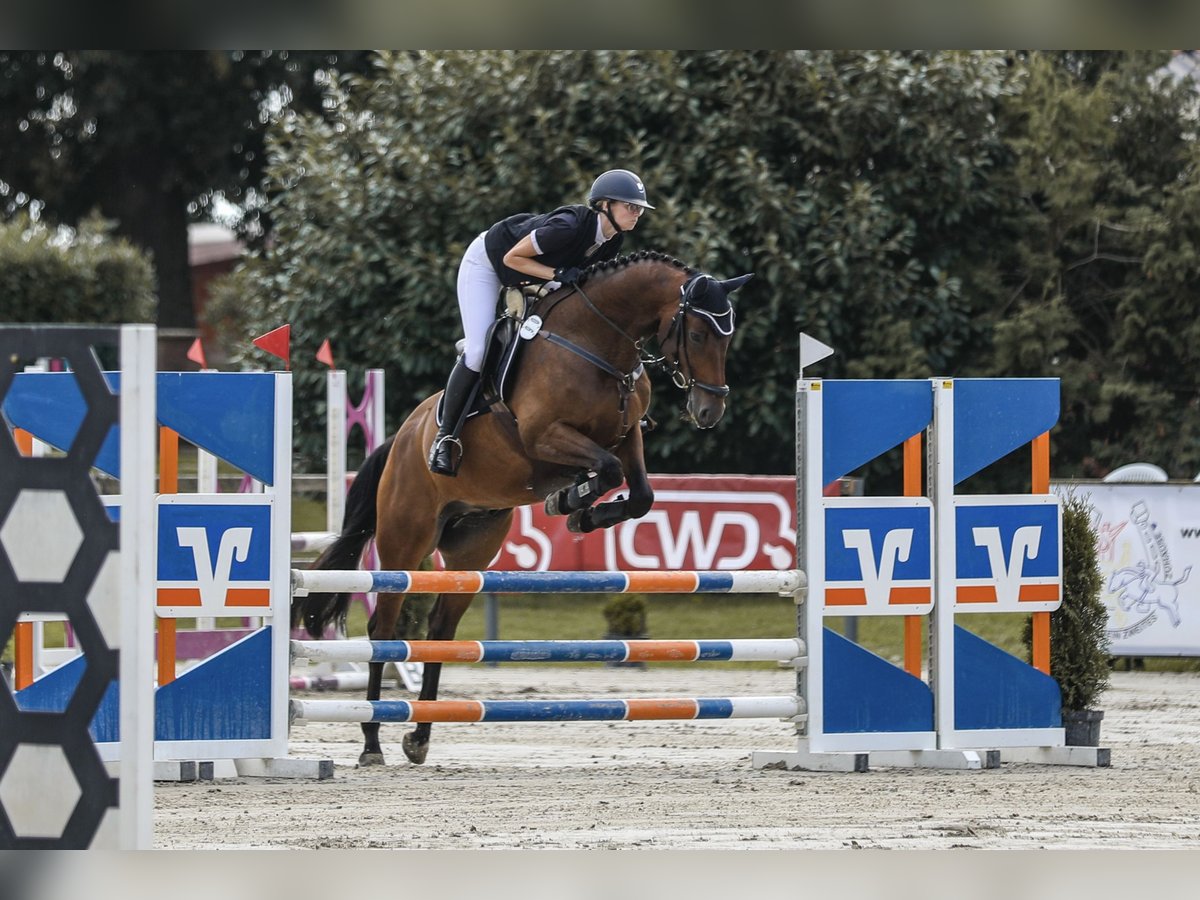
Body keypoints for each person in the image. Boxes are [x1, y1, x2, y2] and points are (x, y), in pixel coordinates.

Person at [427, 168, 654, 476]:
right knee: (479, 351)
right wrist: (557, 275)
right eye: (630, 206)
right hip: (490, 263)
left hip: (536, 274)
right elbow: (512, 259)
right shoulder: (569, 226)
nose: (637, 213)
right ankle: (445, 437)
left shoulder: (612, 241)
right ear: (604, 205)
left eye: (639, 208)